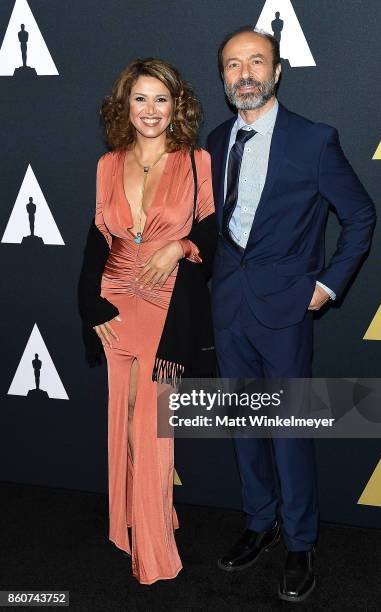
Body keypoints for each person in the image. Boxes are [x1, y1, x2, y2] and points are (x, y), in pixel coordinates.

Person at [207, 26, 376, 602]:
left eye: (257, 62)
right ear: (224, 78)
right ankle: (259, 522)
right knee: (244, 425)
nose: (245, 73)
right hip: (228, 305)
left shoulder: (314, 140)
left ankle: (301, 541)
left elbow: (360, 217)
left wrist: (326, 285)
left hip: (285, 308)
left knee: (288, 430)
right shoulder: (213, 141)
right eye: (233, 65)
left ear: (277, 72)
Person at [78, 57, 216, 585]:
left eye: (162, 99)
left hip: (167, 306)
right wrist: (91, 305)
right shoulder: (108, 164)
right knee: (125, 415)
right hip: (116, 303)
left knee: (151, 424)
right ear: (125, 106)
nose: (151, 110)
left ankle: (154, 545)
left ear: (177, 105)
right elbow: (98, 241)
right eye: (140, 98)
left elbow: (212, 237)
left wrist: (178, 247)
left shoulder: (197, 162)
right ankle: (133, 519)